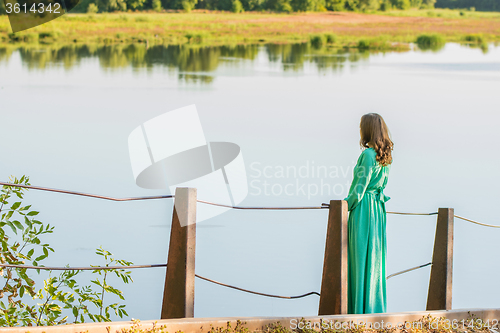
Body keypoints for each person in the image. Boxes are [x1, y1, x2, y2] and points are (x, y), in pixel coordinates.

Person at [344, 113, 393, 314]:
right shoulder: (385, 156)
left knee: (359, 258)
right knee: (375, 259)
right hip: (378, 210)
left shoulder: (367, 155)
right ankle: (374, 309)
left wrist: (345, 205)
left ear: (367, 130)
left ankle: (358, 311)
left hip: (364, 209)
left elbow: (359, 188)